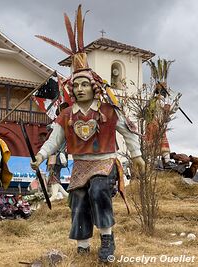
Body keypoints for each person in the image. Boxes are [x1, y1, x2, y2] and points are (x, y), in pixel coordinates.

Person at [31, 5, 145, 262]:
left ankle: (107, 239)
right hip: (80, 165)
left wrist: (136, 156)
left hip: (105, 163)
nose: (80, 89)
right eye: (76, 85)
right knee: (79, 199)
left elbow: (129, 132)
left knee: (97, 192)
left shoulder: (109, 110)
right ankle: (83, 245)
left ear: (94, 87)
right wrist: (40, 156)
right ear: (71, 89)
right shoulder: (66, 114)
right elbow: (54, 139)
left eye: (85, 84)